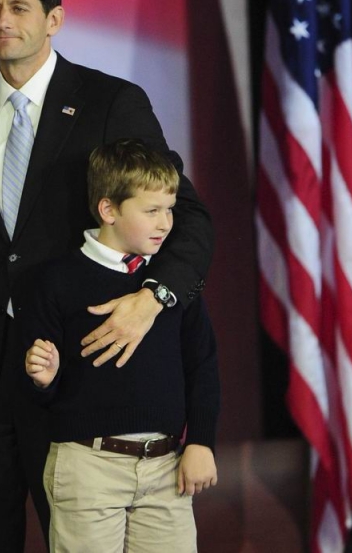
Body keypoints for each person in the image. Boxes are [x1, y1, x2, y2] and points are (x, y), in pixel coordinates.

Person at [0, 0, 214, 551]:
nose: (3, 20)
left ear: (54, 19)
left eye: (20, 7)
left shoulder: (112, 101)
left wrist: (155, 297)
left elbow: (186, 216)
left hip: (77, 374)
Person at [24, 138, 220, 552]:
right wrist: (43, 378)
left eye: (169, 209)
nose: (166, 223)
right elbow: (40, 390)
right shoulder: (55, 280)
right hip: (88, 467)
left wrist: (200, 441)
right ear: (109, 210)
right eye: (151, 211)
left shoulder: (175, 283)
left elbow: (202, 364)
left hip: (167, 469)